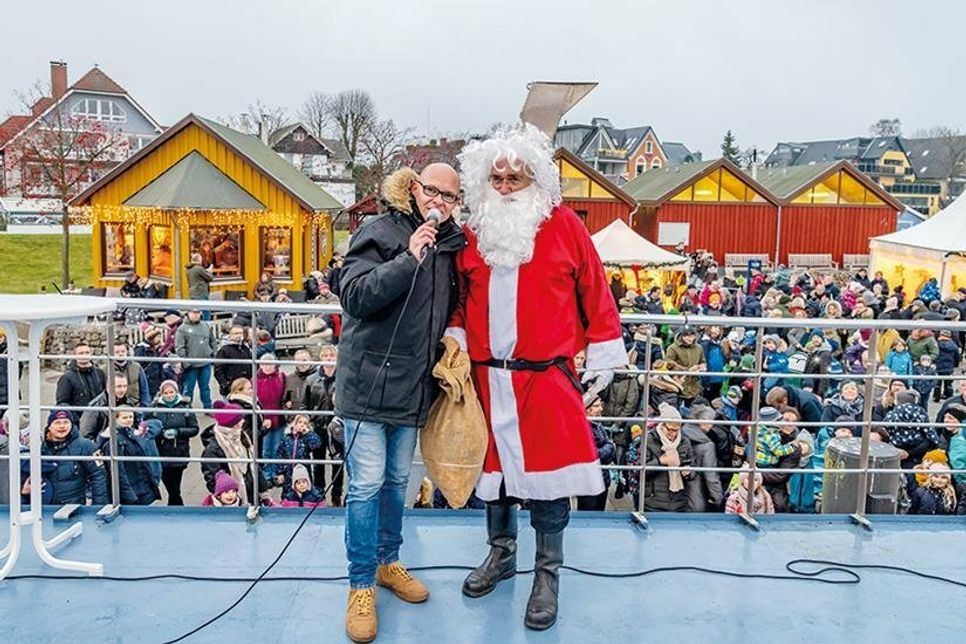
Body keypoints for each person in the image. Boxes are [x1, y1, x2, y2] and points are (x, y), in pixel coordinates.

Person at [450, 125, 624, 632]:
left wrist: (604, 354)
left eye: (515, 177)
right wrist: (456, 338)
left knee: (550, 482)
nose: (505, 186)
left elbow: (595, 289)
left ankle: (547, 575)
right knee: (496, 476)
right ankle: (501, 556)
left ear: (535, 179)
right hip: (487, 379)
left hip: (546, 379)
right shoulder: (472, 235)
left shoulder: (565, 225)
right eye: (497, 177)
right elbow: (460, 297)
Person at [334, 161, 465, 643]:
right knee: (365, 486)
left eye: (449, 197)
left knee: (395, 481)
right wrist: (408, 258)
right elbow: (354, 295)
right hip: (367, 385)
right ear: (413, 190)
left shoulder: (452, 247)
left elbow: (453, 306)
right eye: (432, 192)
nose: (439, 203)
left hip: (412, 386)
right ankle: (360, 583)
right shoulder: (380, 231)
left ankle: (389, 561)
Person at [143, 379, 199, 506]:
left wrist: (178, 432)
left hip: (179, 450)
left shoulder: (185, 406)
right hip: (161, 451)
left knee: (176, 483)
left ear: (176, 391)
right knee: (169, 482)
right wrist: (159, 432)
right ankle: (177, 504)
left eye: (171, 392)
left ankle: (175, 503)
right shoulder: (154, 408)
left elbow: (194, 428)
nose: (169, 395)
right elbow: (146, 426)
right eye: (166, 393)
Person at [201, 400, 268, 506]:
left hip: (252, 494)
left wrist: (264, 491)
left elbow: (254, 467)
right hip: (232, 501)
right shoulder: (212, 450)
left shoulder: (243, 437)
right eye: (240, 419)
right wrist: (230, 498)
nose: (243, 421)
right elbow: (213, 480)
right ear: (232, 424)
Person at [41, 409, 108, 506]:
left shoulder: (86, 446)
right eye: (57, 422)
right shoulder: (40, 447)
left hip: (74, 508)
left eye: (66, 422)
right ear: (49, 426)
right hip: (45, 508)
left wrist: (98, 507)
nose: (62, 426)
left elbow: (98, 476)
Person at [96, 407, 160, 505]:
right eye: (125, 417)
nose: (129, 420)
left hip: (144, 489)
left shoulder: (132, 433)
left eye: (131, 417)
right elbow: (118, 472)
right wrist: (130, 497)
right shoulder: (114, 441)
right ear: (115, 419)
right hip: (133, 494)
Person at [302, 344, 341, 502]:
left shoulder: (342, 377)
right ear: (321, 358)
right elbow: (305, 404)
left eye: (332, 356)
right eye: (325, 356)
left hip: (336, 427)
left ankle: (337, 493)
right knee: (318, 462)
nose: (329, 359)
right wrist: (309, 420)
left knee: (337, 462)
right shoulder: (311, 380)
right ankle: (319, 492)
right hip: (318, 427)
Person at [641, 403, 694, 512]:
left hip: (679, 501)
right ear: (662, 424)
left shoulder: (685, 442)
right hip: (653, 503)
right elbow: (639, 471)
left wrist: (688, 472)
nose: (672, 434)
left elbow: (693, 466)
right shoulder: (648, 440)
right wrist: (661, 461)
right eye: (669, 429)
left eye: (676, 430)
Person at [575, 396, 615, 511]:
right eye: (597, 406)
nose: (601, 409)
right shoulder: (579, 427)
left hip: (602, 479)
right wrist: (608, 448)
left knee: (599, 514)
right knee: (587, 517)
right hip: (587, 483)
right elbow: (587, 455)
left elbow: (608, 450)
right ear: (587, 409)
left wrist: (607, 449)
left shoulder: (598, 425)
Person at [175, 309, 218, 412]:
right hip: (191, 366)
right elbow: (180, 347)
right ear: (188, 313)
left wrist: (214, 353)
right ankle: (186, 409)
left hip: (205, 363)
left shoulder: (205, 326)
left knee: (205, 387)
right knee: (188, 389)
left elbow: (212, 340)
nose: (196, 315)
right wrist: (185, 362)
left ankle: (208, 407)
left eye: (198, 313)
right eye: (193, 312)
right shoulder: (182, 329)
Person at [255, 353, 286, 482]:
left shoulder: (282, 377)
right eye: (264, 364)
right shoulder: (255, 380)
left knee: (278, 447)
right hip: (264, 419)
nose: (267, 367)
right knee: (266, 448)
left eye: (270, 364)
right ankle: (267, 474)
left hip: (279, 417)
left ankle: (276, 473)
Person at [274, 413, 322, 496]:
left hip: (302, 470)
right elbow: (279, 454)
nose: (302, 425)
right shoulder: (286, 437)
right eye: (300, 422)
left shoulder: (306, 437)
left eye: (305, 423)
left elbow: (316, 444)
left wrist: (308, 433)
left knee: (304, 491)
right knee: (288, 492)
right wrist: (280, 472)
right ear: (294, 423)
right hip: (288, 471)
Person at [79, 372, 136, 439]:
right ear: (108, 386)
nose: (122, 390)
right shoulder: (95, 407)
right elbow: (85, 435)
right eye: (118, 386)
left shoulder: (128, 403)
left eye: (125, 386)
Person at [55, 342, 106, 409]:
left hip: (100, 416)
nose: (84, 355)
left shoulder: (99, 373)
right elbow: (62, 403)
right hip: (78, 417)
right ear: (75, 356)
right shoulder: (66, 378)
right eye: (81, 353)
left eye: (87, 352)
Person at [664, 326, 706, 406]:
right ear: (681, 335)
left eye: (692, 335)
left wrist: (701, 367)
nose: (690, 338)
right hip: (678, 386)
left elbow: (703, 362)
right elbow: (668, 365)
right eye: (686, 335)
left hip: (694, 387)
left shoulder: (699, 348)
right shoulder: (673, 348)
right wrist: (687, 370)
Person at [214, 324, 252, 398]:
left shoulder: (246, 349)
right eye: (236, 333)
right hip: (230, 390)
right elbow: (218, 370)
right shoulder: (224, 350)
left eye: (240, 333)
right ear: (230, 336)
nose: (238, 335)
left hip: (245, 389)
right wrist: (225, 385)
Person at [113, 342, 150, 408]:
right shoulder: (105, 369)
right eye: (117, 352)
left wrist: (144, 408)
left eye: (123, 351)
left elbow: (144, 390)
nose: (120, 354)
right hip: (115, 407)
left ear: (127, 351)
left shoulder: (137, 367)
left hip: (135, 406)